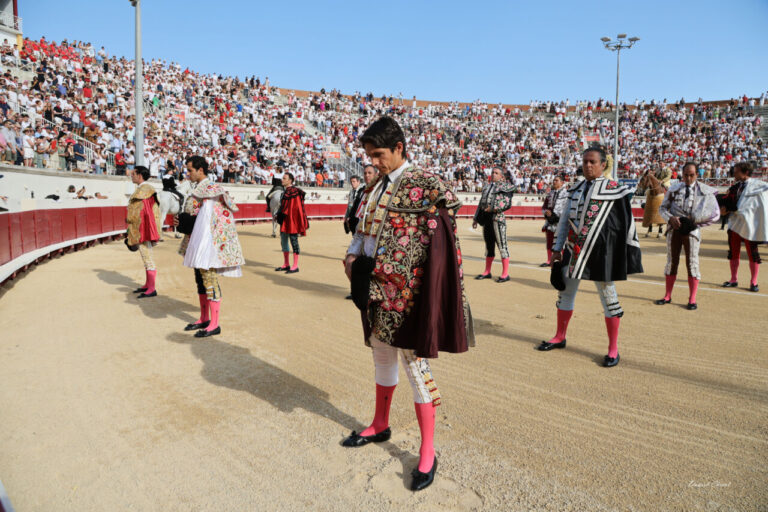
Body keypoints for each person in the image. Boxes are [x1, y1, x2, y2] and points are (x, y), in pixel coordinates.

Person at [342, 117, 474, 491]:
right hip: (373, 287)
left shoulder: (427, 185)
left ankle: (428, 450)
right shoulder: (373, 188)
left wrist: (429, 291)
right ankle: (380, 424)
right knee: (381, 356)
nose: (374, 161)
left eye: (379, 154)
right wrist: (352, 257)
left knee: (416, 369)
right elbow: (362, 229)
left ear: (399, 148)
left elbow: (443, 245)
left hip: (409, 294)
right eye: (369, 155)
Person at [537, 147, 643, 368]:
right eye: (585, 161)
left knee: (608, 298)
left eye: (592, 162)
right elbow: (565, 220)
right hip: (573, 249)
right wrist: (557, 248)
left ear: (603, 164)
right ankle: (559, 336)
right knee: (565, 293)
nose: (588, 165)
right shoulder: (575, 188)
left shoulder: (616, 190)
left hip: (600, 252)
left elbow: (623, 226)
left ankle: (613, 349)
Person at [176, 155, 244, 337]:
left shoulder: (213, 190)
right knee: (200, 279)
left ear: (200, 170)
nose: (187, 173)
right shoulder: (199, 189)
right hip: (197, 240)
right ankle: (204, 318)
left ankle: (214, 324)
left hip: (208, 242)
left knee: (210, 279)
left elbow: (211, 220)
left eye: (190, 170)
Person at [655, 162, 720, 309]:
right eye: (686, 175)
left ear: (697, 174)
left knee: (692, 263)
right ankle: (667, 295)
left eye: (692, 175)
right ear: (681, 174)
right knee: (671, 261)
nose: (689, 178)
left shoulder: (705, 192)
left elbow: (714, 214)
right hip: (674, 229)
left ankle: (692, 298)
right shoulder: (673, 189)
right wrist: (670, 218)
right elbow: (662, 208)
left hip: (692, 231)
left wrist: (694, 222)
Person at [720, 162, 768, 292]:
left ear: (745, 172)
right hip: (735, 223)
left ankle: (754, 282)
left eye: (736, 171)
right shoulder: (734, 188)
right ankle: (733, 279)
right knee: (733, 252)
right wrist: (724, 210)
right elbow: (728, 203)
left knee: (753, 253)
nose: (734, 174)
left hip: (750, 224)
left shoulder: (760, 186)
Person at [472, 167, 515, 282]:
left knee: (502, 246)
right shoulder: (486, 186)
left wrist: (493, 208)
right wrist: (476, 218)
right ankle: (487, 272)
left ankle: (505, 274)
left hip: (498, 219)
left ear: (502, 176)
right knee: (489, 246)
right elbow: (481, 203)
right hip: (486, 220)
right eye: (492, 172)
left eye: (496, 173)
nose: (493, 174)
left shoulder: (506, 187)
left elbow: (507, 203)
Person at [125, 166, 161, 298]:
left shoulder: (145, 191)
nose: (131, 175)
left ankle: (151, 288)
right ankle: (148, 284)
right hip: (142, 227)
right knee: (145, 256)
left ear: (140, 175)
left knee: (147, 257)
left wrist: (133, 223)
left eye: (133, 173)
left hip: (143, 229)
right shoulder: (144, 190)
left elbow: (145, 213)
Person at [275, 172, 308, 274]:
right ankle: (286, 264)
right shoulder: (284, 191)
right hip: (284, 220)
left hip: (292, 221)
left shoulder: (294, 191)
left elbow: (297, 208)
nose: (282, 180)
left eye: (284, 178)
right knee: (283, 241)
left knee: (294, 242)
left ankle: (295, 266)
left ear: (290, 181)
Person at [540, 174, 568, 266]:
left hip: (562, 221)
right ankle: (549, 260)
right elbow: (544, 207)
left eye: (557, 180)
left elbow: (567, 208)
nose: (554, 182)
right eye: (554, 180)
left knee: (562, 241)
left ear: (562, 182)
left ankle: (564, 260)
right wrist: (546, 212)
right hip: (550, 221)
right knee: (550, 241)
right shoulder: (550, 194)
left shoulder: (567, 194)